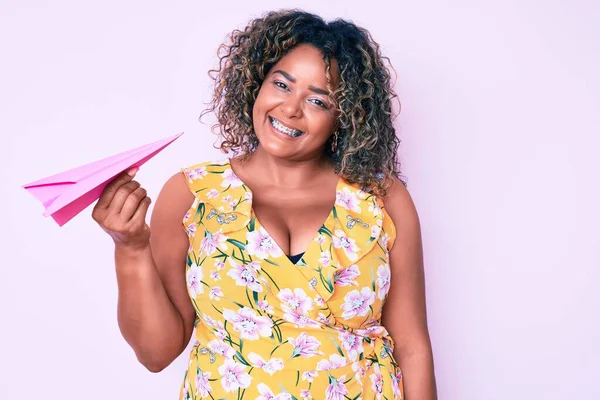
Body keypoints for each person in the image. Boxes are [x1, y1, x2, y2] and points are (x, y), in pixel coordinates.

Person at [92, 9, 437, 400]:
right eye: (282, 84)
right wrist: (131, 248)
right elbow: (156, 353)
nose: (291, 108)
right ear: (256, 85)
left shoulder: (380, 199)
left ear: (345, 117)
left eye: (319, 100)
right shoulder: (193, 194)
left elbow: (412, 347)